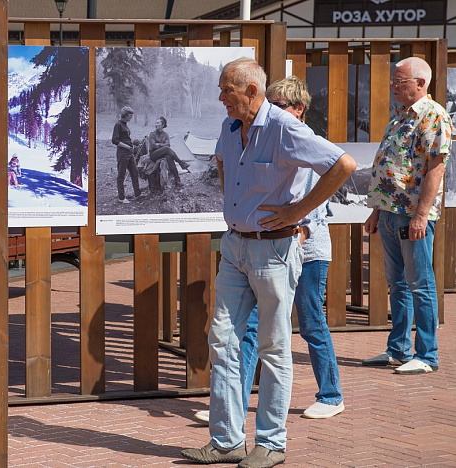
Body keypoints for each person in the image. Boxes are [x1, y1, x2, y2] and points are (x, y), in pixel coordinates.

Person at [180, 58, 356, 468]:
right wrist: (235, 209)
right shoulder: (230, 128)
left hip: (274, 251)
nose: (220, 97)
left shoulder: (285, 127)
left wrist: (298, 212)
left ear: (252, 92)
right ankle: (226, 442)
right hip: (236, 247)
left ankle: (272, 443)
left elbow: (343, 165)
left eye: (227, 89)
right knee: (222, 342)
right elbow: (225, 162)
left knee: (273, 348)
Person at [362, 57, 452, 375]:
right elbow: (392, 168)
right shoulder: (401, 115)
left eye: (400, 81)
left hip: (411, 215)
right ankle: (398, 349)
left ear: (420, 83)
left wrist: (420, 215)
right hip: (389, 212)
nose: (393, 86)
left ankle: (427, 355)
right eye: (394, 81)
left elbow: (435, 169)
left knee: (420, 284)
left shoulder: (433, 116)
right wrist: (376, 209)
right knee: (397, 283)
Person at [111, 106, 143, 203]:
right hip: (122, 153)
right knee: (121, 175)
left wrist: (133, 144)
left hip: (130, 153)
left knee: (134, 172)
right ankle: (121, 197)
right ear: (125, 115)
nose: (131, 117)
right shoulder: (118, 125)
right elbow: (115, 140)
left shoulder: (125, 125)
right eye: (130, 115)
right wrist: (126, 146)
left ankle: (137, 194)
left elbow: (125, 138)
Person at [146, 116, 190, 187]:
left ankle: (177, 180)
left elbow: (168, 144)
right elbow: (153, 145)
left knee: (169, 157)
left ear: (163, 125)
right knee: (166, 149)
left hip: (163, 153)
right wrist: (162, 145)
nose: (156, 124)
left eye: (158, 123)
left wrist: (159, 145)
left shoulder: (165, 134)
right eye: (155, 123)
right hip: (153, 154)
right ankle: (181, 163)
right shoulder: (152, 134)